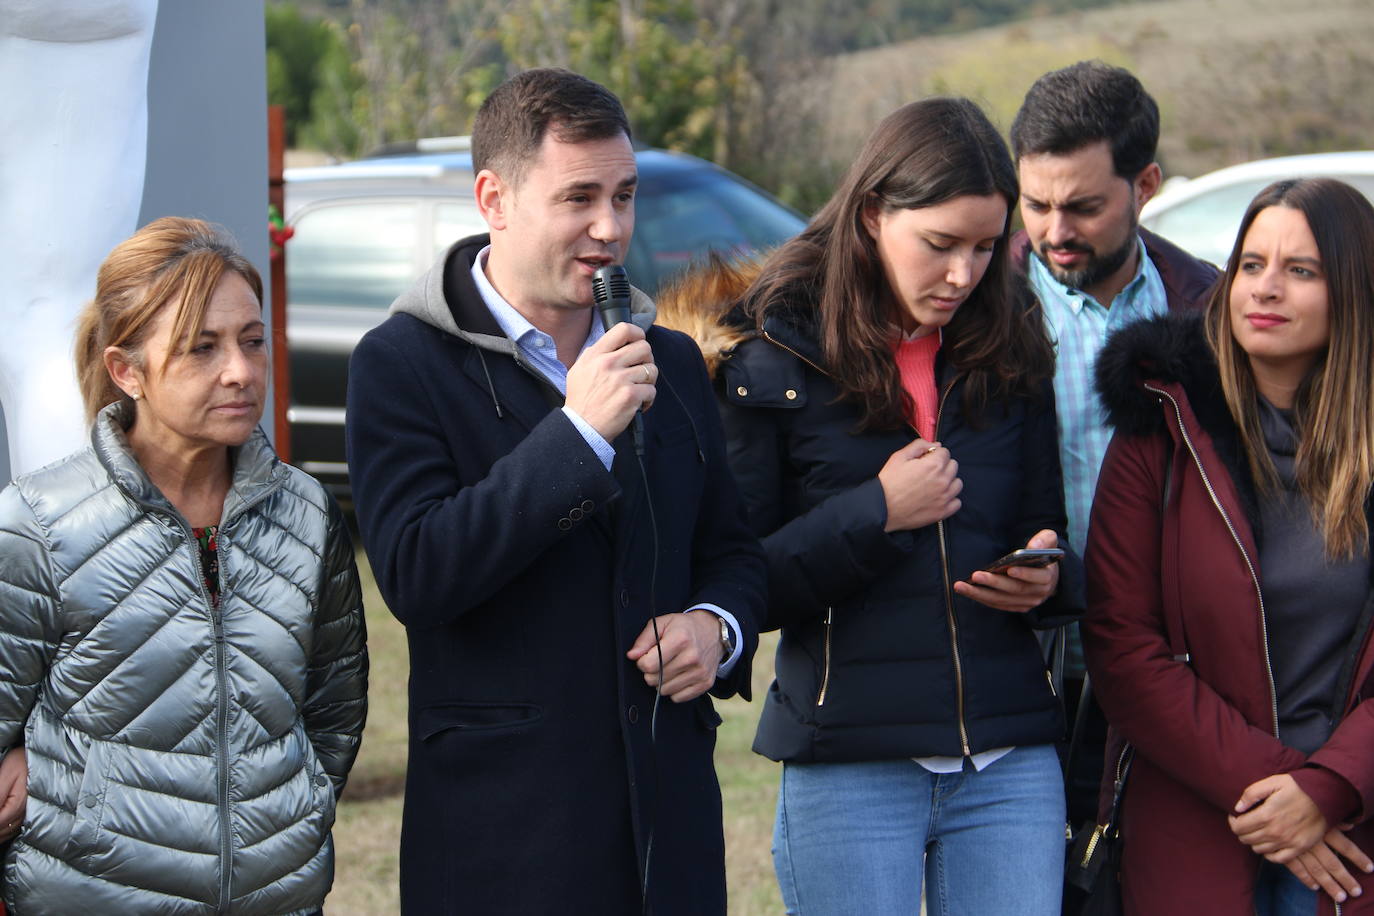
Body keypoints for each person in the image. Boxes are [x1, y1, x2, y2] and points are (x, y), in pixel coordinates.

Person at [344, 68, 766, 914]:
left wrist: (715, 630)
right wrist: (576, 436)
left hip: (667, 829)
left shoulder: (671, 361)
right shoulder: (399, 365)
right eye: (578, 198)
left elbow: (732, 554)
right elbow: (419, 575)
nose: (609, 227)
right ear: (493, 199)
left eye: (625, 195)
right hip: (506, 840)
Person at [664, 97, 1082, 914]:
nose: (963, 274)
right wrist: (877, 512)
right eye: (940, 244)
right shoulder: (772, 350)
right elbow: (741, 580)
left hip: (1010, 760)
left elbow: (1048, 525)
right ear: (870, 215)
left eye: (986, 248)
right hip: (848, 763)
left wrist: (1049, 577)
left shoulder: (1012, 333)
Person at [0, 216, 368, 912]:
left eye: (251, 341)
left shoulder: (307, 514)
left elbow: (334, 717)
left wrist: (296, 814)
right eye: (202, 348)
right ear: (125, 370)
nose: (239, 370)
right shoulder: (40, 523)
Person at [1085, 177, 1374, 914]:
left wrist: (1328, 786)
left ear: (1354, 291)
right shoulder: (1161, 424)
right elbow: (1123, 645)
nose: (1265, 289)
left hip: (1356, 832)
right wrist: (1281, 792)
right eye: (1251, 265)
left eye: (1300, 271)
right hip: (1198, 826)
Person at [1008, 59, 1219, 825]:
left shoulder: (1212, 308)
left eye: (1084, 207)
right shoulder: (977, 313)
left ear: (1148, 184)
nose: (1055, 232)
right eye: (1035, 204)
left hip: (1184, 665)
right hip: (1029, 666)